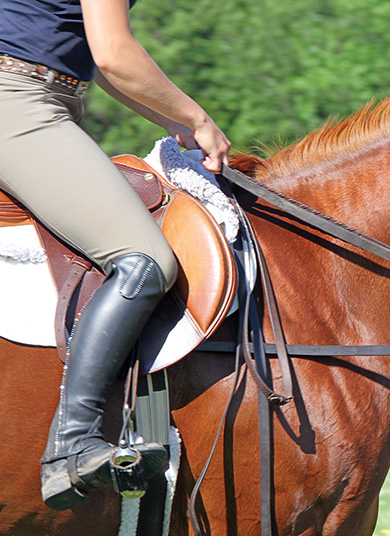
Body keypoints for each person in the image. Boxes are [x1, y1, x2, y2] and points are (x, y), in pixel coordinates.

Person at [0, 0, 231, 510]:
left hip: (42, 101)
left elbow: (100, 61)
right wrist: (198, 118)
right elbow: (112, 54)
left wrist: (174, 122)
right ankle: (73, 443)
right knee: (145, 261)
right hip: (18, 103)